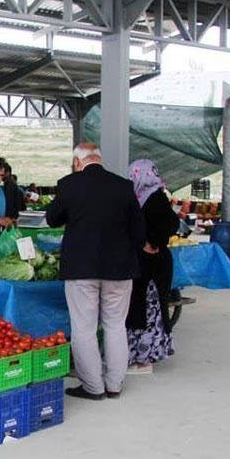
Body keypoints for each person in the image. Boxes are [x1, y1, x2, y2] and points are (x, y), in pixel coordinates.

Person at [44, 143, 145, 400]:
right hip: (120, 269)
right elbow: (139, 232)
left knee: (84, 328)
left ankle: (93, 387)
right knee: (114, 325)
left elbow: (52, 218)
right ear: (99, 159)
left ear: (78, 163)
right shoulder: (123, 186)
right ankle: (114, 385)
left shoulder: (69, 184)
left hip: (81, 268)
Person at [126, 159, 181, 374]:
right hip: (144, 262)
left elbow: (171, 223)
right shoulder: (140, 197)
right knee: (139, 308)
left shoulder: (155, 197)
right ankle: (138, 356)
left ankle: (145, 359)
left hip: (153, 265)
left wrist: (153, 242)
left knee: (149, 310)